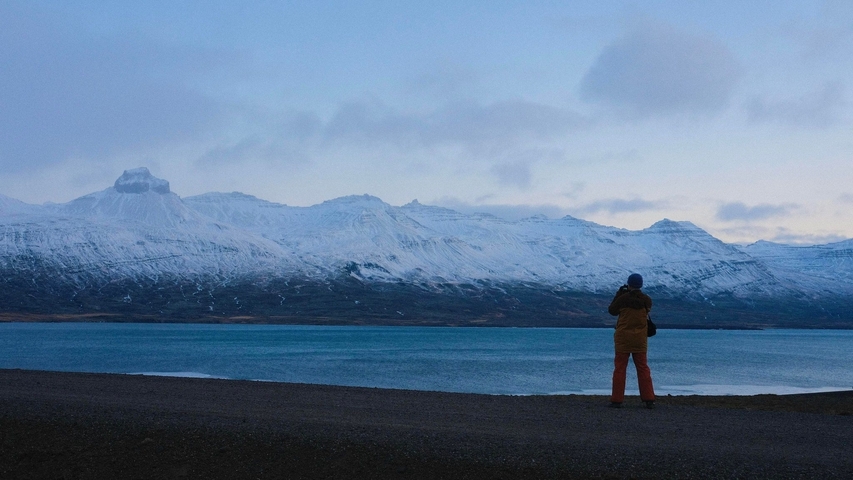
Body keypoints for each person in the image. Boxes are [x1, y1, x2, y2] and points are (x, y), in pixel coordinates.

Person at [608, 273, 655, 409]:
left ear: (629, 284)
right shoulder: (647, 300)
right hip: (640, 339)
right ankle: (649, 398)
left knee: (620, 369)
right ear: (640, 284)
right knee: (643, 368)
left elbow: (612, 311)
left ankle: (617, 400)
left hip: (623, 338)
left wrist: (619, 294)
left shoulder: (623, 299)